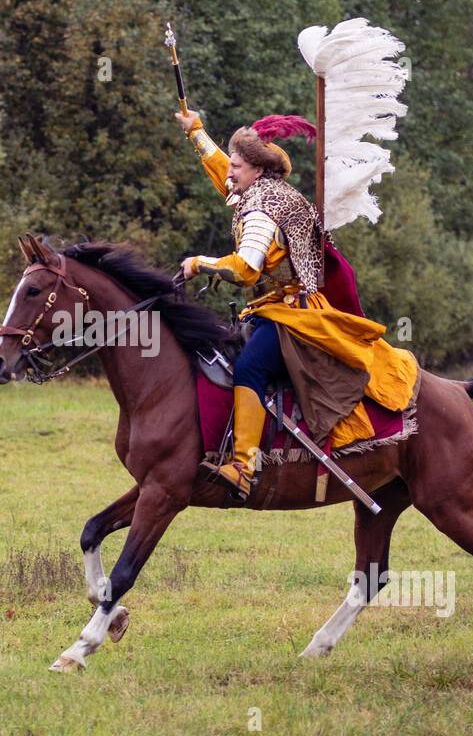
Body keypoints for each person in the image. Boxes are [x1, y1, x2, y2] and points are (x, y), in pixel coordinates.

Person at [176, 110, 416, 499]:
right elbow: (223, 172)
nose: (230, 173)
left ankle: (243, 467)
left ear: (256, 169)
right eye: (233, 165)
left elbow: (246, 270)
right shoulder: (260, 189)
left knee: (250, 367)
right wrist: (196, 132)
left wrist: (198, 263)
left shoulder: (264, 209)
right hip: (279, 306)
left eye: (238, 166)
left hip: (297, 315)